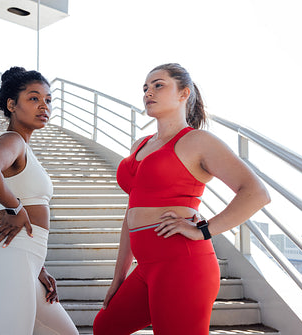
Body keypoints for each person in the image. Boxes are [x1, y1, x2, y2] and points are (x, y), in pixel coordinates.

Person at [93, 63, 271, 335]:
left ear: (184, 93)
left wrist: (204, 230)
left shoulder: (198, 141)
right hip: (146, 268)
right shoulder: (139, 145)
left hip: (183, 263)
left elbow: (256, 193)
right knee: (105, 327)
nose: (148, 92)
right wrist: (119, 277)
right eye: (145, 88)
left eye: (158, 85)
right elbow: (131, 214)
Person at [0, 67, 78, 335]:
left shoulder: (24, 148)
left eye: (48, 100)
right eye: (33, 98)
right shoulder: (12, 140)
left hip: (24, 261)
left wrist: (38, 266)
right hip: (8, 260)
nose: (44, 105)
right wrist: (14, 207)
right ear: (11, 104)